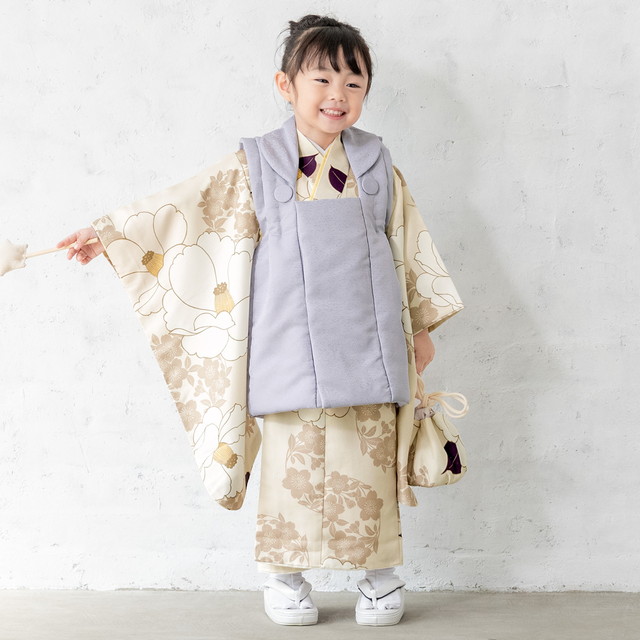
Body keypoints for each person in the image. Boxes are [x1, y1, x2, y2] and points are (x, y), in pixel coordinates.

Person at [57, 13, 464, 627]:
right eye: (322, 79)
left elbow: (405, 245)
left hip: (370, 338)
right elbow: (184, 208)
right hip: (287, 339)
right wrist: (111, 233)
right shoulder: (255, 164)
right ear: (285, 85)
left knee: (370, 459)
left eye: (353, 83)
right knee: (291, 466)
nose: (337, 95)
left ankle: (379, 577)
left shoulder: (377, 164)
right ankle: (285, 576)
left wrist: (422, 328)